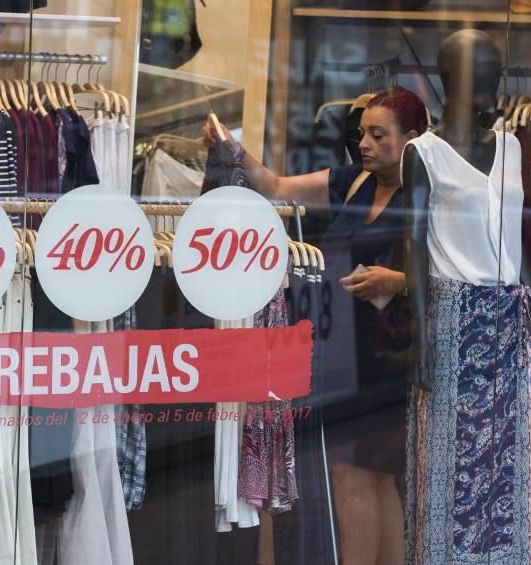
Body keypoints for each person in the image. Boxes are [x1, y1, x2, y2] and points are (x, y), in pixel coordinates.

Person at [204, 87, 429, 565]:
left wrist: (401, 281)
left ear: (413, 138)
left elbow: (458, 271)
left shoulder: (430, 192)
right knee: (369, 476)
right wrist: (232, 150)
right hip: (345, 351)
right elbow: (275, 187)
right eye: (362, 133)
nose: (364, 143)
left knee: (358, 475)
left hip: (394, 355)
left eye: (377, 134)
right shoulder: (353, 181)